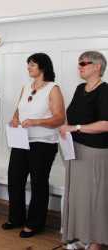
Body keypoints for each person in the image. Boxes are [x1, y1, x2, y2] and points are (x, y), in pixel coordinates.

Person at [2, 53, 65, 238]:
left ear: (42, 67)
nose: (28, 67)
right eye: (28, 64)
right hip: (21, 140)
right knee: (14, 179)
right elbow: (19, 110)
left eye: (32, 64)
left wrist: (36, 122)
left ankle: (35, 224)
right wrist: (14, 120)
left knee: (38, 182)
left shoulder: (53, 88)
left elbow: (60, 118)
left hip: (43, 143)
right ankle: (16, 218)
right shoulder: (26, 87)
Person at [60, 51, 108, 250]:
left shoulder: (104, 91)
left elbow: (106, 124)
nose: (79, 66)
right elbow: (70, 116)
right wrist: (65, 128)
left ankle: (96, 241)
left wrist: (76, 128)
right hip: (76, 149)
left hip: (95, 152)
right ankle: (81, 236)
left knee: (95, 198)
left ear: (98, 66)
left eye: (84, 63)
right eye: (79, 63)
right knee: (78, 196)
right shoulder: (80, 88)